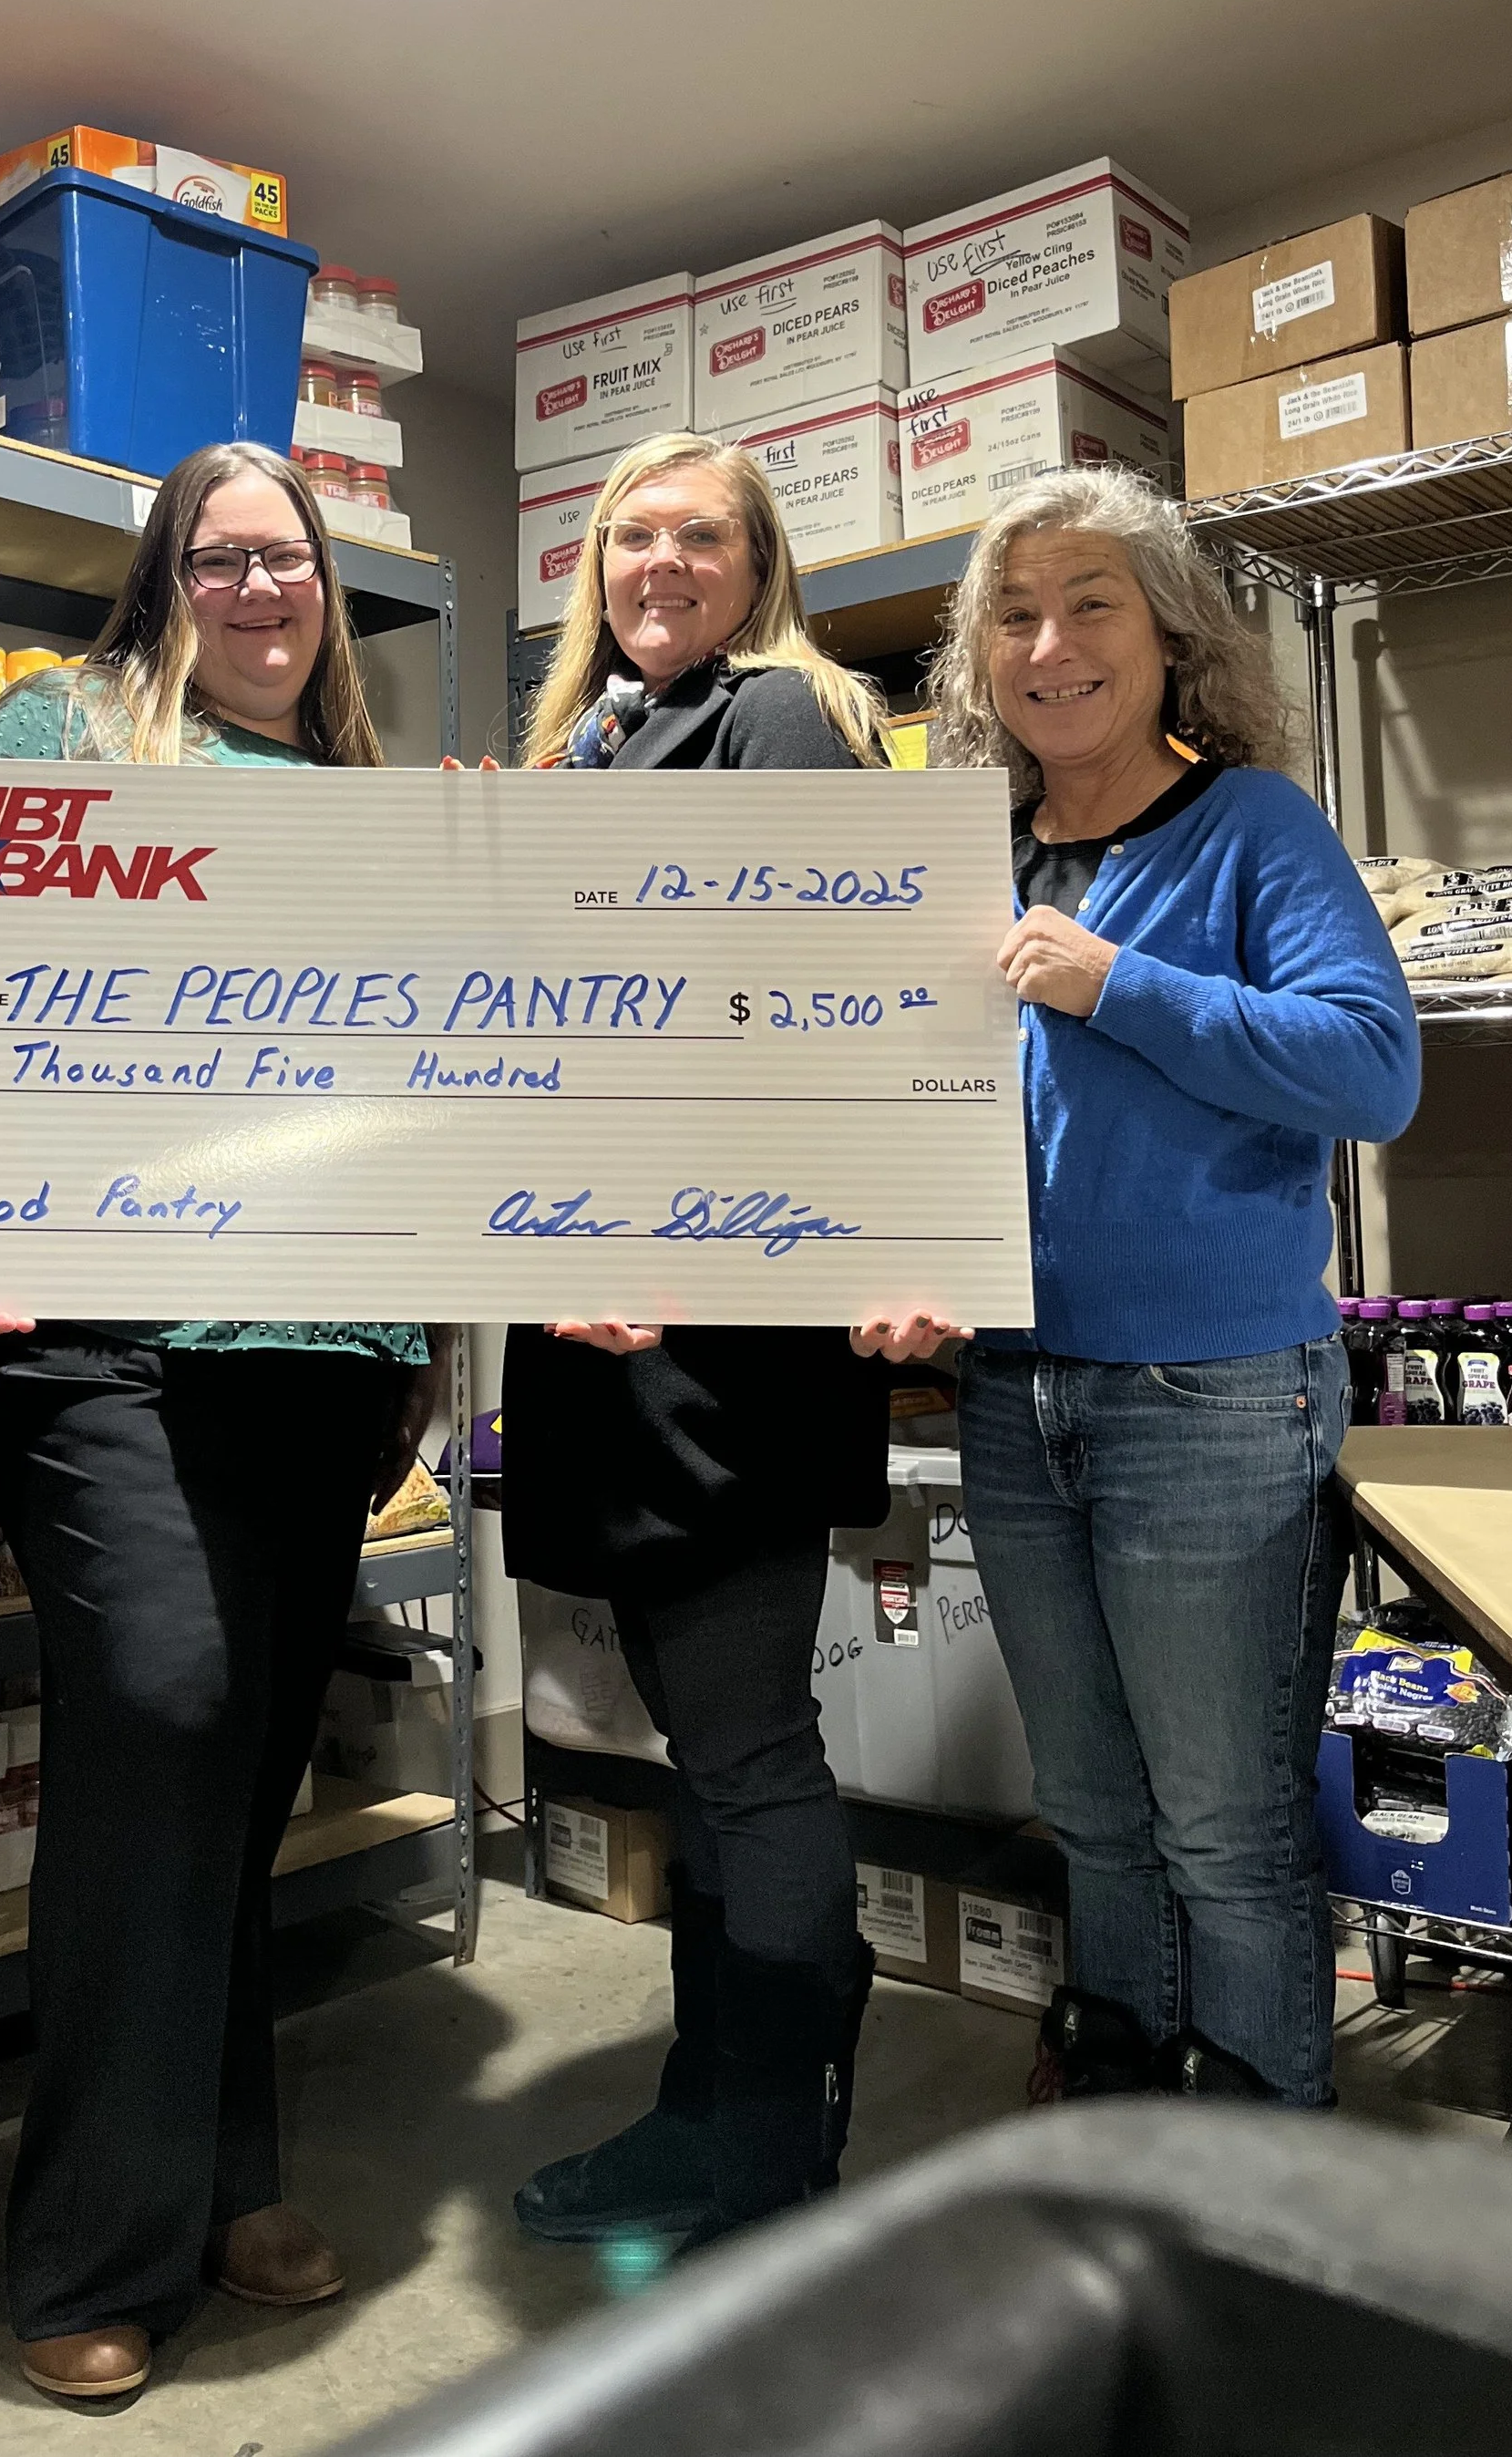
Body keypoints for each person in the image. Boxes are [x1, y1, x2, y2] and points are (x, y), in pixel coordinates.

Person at [0, 441, 445, 2406]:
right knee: (157, 1714)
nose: (259, 590)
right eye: (220, 559)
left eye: (288, 561)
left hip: (317, 1354)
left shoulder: (366, 804)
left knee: (235, 1771)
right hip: (103, 1338)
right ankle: (94, 2240)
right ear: (165, 582)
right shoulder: (61, 728)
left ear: (326, 594)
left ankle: (224, 2173)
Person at [869, 464, 1419, 2109]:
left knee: (1226, 1827)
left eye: (1091, 602)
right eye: (1015, 615)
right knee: (1094, 1810)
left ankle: (1254, 2189)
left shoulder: (1253, 826)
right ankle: (1122, 2124)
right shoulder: (962, 853)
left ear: (1173, 634)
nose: (1053, 644)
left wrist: (1122, 984)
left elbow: (1374, 1070)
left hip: (1214, 1398)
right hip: (1016, 1391)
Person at [497, 430, 897, 2256]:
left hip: (715, 1337)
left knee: (742, 1748)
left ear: (757, 566)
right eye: (630, 535)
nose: (660, 561)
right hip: (603, 1335)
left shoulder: (781, 717)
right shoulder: (587, 739)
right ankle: (704, 2119)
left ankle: (768, 2150)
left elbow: (779, 1009)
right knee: (700, 1750)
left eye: (702, 537)